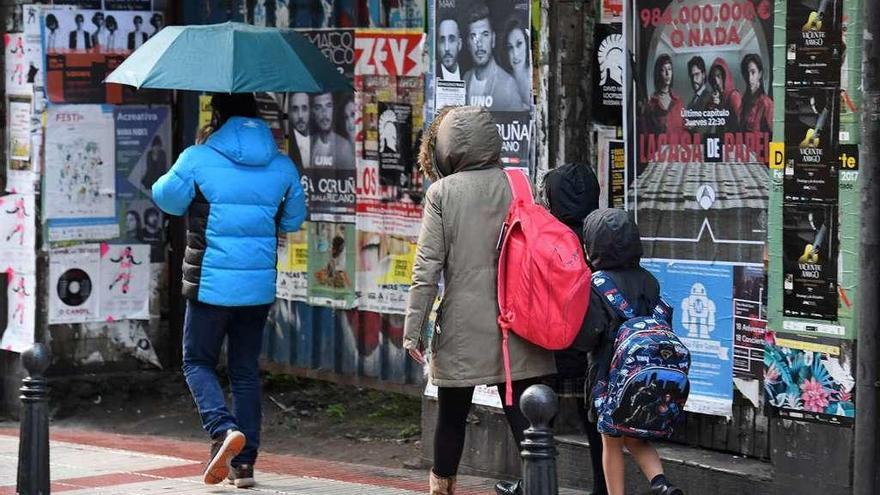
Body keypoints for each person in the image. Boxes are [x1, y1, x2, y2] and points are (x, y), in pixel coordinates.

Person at [151, 93, 306, 489]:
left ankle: (222, 430)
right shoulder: (282, 164)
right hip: (256, 289)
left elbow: (167, 198)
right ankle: (245, 466)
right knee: (244, 373)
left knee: (197, 362)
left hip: (210, 286)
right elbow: (292, 220)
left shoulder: (198, 158)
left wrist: (194, 159)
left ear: (217, 116)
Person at [404, 106, 556, 495]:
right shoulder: (519, 183)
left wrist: (413, 330)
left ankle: (443, 489)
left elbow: (426, 270)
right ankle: (543, 487)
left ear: (445, 148)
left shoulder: (441, 193)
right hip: (520, 320)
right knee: (527, 417)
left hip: (463, 326)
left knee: (452, 418)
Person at [580, 208, 682, 495]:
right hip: (647, 378)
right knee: (637, 438)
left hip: (609, 374)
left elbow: (590, 334)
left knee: (611, 440)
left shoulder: (598, 284)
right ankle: (661, 484)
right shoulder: (650, 280)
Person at [463, 2, 528, 111]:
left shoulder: (508, 85)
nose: (479, 43)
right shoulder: (465, 78)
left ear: (493, 40)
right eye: (473, 36)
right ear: (468, 43)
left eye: (485, 35)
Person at [642, 54, 684, 138]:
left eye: (669, 69)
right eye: (663, 70)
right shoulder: (651, 104)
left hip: (676, 148)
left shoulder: (678, 101)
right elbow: (646, 134)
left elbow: (683, 128)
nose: (667, 73)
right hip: (658, 149)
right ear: (658, 73)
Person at [310, 92, 355, 169]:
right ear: (312, 112)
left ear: (334, 109)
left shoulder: (344, 146)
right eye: (318, 107)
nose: (324, 113)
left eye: (328, 106)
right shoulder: (308, 143)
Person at [501, 18, 532, 108]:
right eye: (510, 47)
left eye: (519, 44)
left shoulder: (535, 75)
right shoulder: (503, 82)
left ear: (527, 43)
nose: (515, 54)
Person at [739, 53, 773, 134]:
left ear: (760, 74)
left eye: (753, 72)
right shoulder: (744, 101)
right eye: (746, 73)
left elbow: (776, 136)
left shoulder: (766, 103)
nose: (749, 78)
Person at [707, 58, 742, 133]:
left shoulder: (734, 96)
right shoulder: (715, 96)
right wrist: (713, 105)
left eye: (718, 76)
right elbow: (708, 120)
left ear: (725, 75)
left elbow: (740, 122)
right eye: (714, 77)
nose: (716, 80)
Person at [287, 92, 311, 171]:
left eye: (304, 108)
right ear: (289, 113)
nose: (300, 115)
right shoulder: (287, 142)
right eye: (295, 109)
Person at [437, 16, 463, 81]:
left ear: (459, 44)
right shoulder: (432, 75)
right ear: (437, 45)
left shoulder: (467, 77)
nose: (446, 48)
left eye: (451, 40)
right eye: (442, 41)